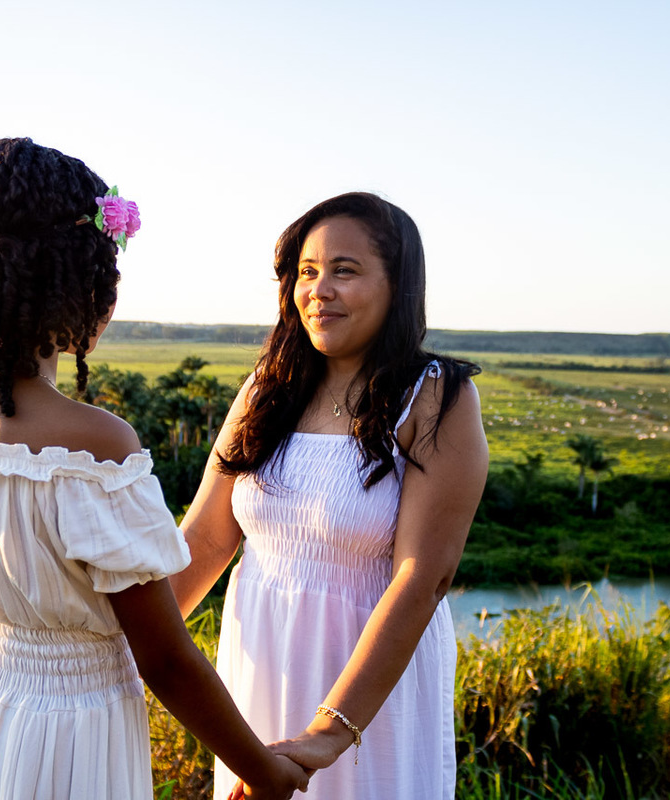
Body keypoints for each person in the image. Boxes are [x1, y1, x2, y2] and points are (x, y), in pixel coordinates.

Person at [0, 138, 308, 800]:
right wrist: (266, 769)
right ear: (79, 286)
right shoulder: (95, 444)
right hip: (68, 730)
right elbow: (164, 658)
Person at [170, 192, 489, 800]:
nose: (318, 290)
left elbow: (423, 577)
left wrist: (329, 731)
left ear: (398, 285)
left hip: (369, 694)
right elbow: (206, 539)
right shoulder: (266, 388)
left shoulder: (436, 396)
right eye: (306, 272)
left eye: (344, 270)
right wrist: (119, 649)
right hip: (262, 660)